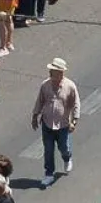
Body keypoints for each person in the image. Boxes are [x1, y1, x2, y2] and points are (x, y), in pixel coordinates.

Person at [31, 58, 80, 188]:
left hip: (63, 125)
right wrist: (35, 116)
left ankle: (67, 158)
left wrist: (74, 120)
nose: (50, 72)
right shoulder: (45, 85)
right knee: (48, 150)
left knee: (64, 147)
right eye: (50, 70)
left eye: (53, 71)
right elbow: (39, 101)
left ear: (60, 73)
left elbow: (76, 104)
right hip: (47, 123)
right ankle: (49, 174)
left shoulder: (70, 86)